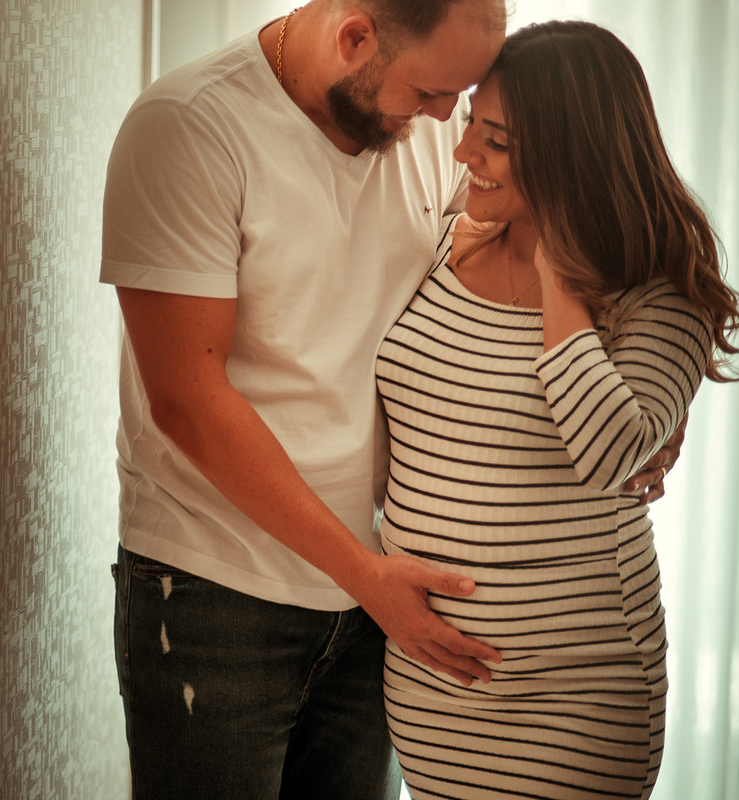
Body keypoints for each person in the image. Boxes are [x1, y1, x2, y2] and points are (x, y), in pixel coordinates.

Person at [101, 3, 676, 797]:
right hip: (220, 594)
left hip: (381, 603)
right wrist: (368, 577)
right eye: (434, 94)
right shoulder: (190, 130)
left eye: (465, 102)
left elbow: (556, 221)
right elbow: (187, 400)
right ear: (355, 39)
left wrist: (655, 395)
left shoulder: (423, 122)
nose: (449, 125)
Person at [376, 20, 739, 800]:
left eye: (496, 140)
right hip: (429, 677)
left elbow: (609, 456)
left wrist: (559, 277)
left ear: (573, 155)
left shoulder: (659, 295)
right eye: (471, 122)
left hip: (576, 694)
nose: (463, 150)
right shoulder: (446, 243)